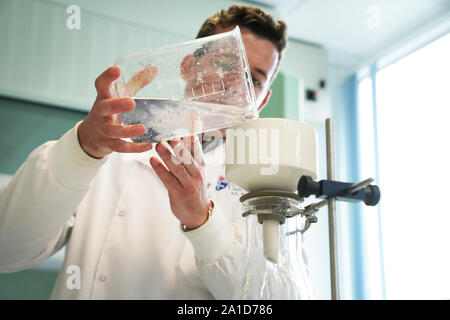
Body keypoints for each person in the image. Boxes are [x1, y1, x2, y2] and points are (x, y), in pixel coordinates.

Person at [0, 5, 296, 299]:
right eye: (226, 64)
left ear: (262, 99)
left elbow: (274, 298)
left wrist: (203, 222)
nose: (236, 86)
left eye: (254, 80)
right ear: (187, 66)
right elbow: (8, 250)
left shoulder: (264, 183)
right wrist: (82, 151)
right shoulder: (111, 145)